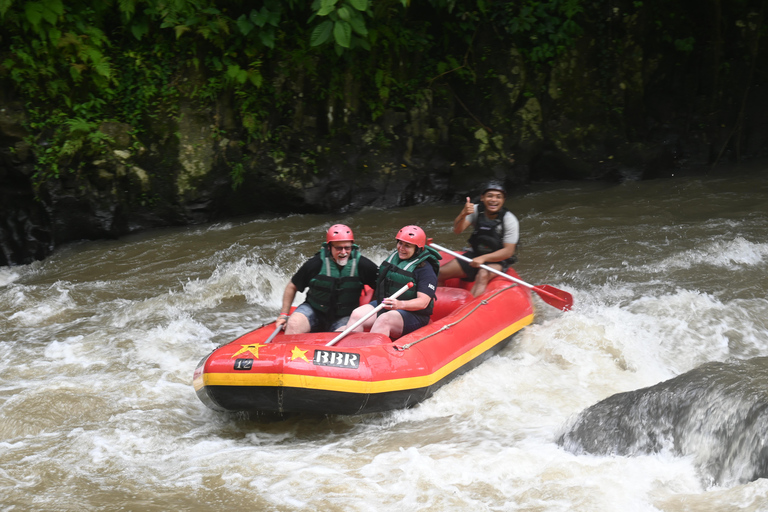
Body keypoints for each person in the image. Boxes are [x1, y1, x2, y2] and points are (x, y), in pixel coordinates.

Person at [276, 224, 379, 334]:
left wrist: (370, 307)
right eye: (339, 248)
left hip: (345, 316)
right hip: (314, 311)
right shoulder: (316, 264)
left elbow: (381, 287)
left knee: (344, 336)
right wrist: (284, 314)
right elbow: (292, 286)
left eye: (347, 248)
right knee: (294, 324)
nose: (344, 252)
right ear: (329, 247)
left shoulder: (363, 265)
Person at [343, 225, 441, 340]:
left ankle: (373, 354)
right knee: (357, 314)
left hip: (414, 315)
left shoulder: (425, 270)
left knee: (384, 320)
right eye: (400, 243)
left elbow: (423, 303)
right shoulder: (394, 259)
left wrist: (400, 304)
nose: (401, 248)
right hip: (388, 305)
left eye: (407, 246)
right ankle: (352, 351)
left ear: (417, 249)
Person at [438, 180, 519, 296]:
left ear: (503, 200)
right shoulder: (475, 210)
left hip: (497, 259)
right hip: (474, 254)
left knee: (483, 274)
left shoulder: (509, 220)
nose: (494, 200)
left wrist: (484, 258)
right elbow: (457, 230)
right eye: (489, 196)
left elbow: (508, 251)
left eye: (498, 197)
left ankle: (467, 310)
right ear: (482, 198)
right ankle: (436, 305)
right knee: (439, 273)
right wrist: (463, 214)